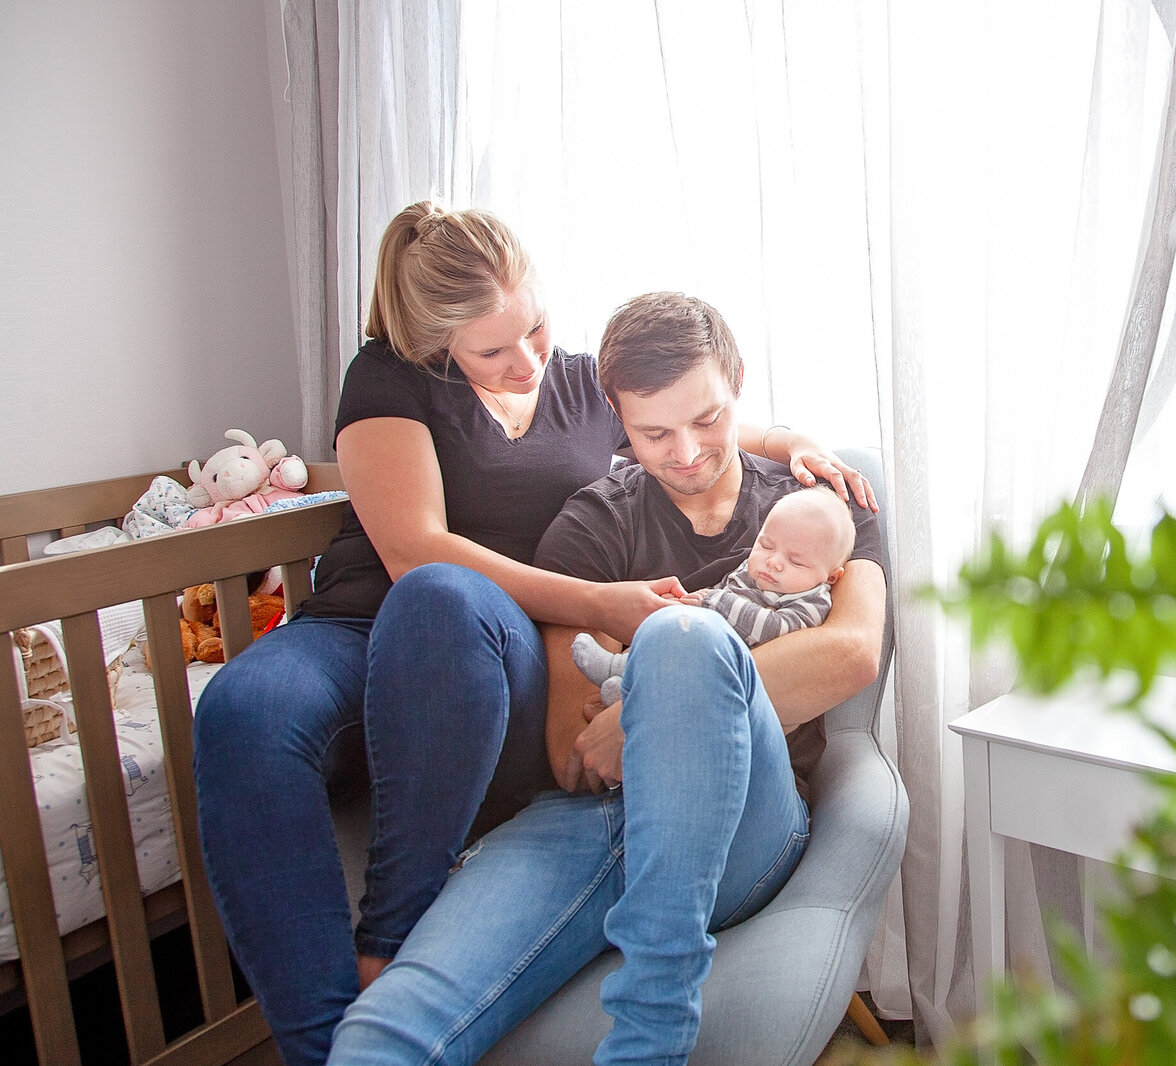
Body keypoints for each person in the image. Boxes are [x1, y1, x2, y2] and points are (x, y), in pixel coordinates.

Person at [191, 205, 876, 1066]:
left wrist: (801, 443)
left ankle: (626, 1018)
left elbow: (698, 423)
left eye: (540, 330)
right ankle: (323, 1037)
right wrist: (598, 604)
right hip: (412, 625)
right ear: (441, 346)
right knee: (244, 710)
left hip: (536, 667)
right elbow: (422, 561)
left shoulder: (805, 506)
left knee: (681, 643)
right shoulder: (411, 394)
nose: (529, 363)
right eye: (494, 351)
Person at [570, 483, 856, 705]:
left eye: (796, 561)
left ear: (830, 576)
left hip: (728, 674)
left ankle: (625, 681)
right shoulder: (754, 571)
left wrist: (713, 602)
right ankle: (622, 674)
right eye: (766, 545)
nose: (774, 561)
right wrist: (687, 604)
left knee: (683, 663)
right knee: (665, 630)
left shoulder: (812, 602)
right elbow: (720, 592)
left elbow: (776, 629)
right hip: (704, 640)